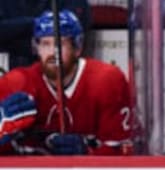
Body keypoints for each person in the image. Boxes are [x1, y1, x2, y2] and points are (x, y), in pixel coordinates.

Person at [0, 9, 133, 155]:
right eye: (45, 44)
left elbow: (123, 150)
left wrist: (88, 152)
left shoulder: (107, 80)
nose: (52, 52)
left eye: (60, 44)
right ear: (36, 48)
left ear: (77, 47)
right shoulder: (16, 83)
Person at [0, 1, 91, 70]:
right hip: (9, 64)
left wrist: (18, 30)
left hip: (59, 68)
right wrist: (35, 23)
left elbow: (73, 26)